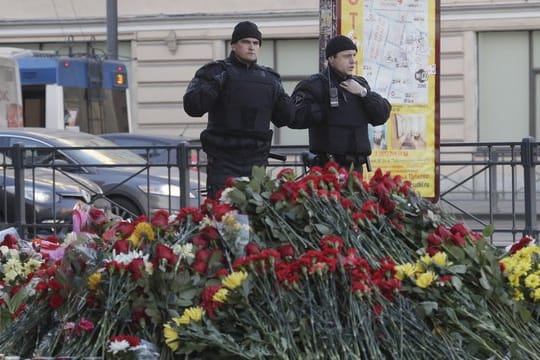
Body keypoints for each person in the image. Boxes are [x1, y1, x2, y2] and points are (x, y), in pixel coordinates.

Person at [183, 21, 292, 198]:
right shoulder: (215, 71)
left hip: (256, 165)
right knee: (224, 218)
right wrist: (214, 84)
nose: (251, 47)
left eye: (256, 43)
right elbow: (193, 107)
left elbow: (285, 117)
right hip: (223, 162)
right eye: (245, 42)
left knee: (255, 220)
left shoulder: (270, 78)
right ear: (234, 45)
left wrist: (282, 96)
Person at [290, 35, 392, 172]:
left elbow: (382, 115)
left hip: (355, 168)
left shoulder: (360, 84)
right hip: (327, 168)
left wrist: (363, 93)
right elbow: (294, 117)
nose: (352, 61)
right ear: (331, 59)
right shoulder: (315, 85)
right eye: (346, 56)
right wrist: (325, 109)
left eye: (354, 56)